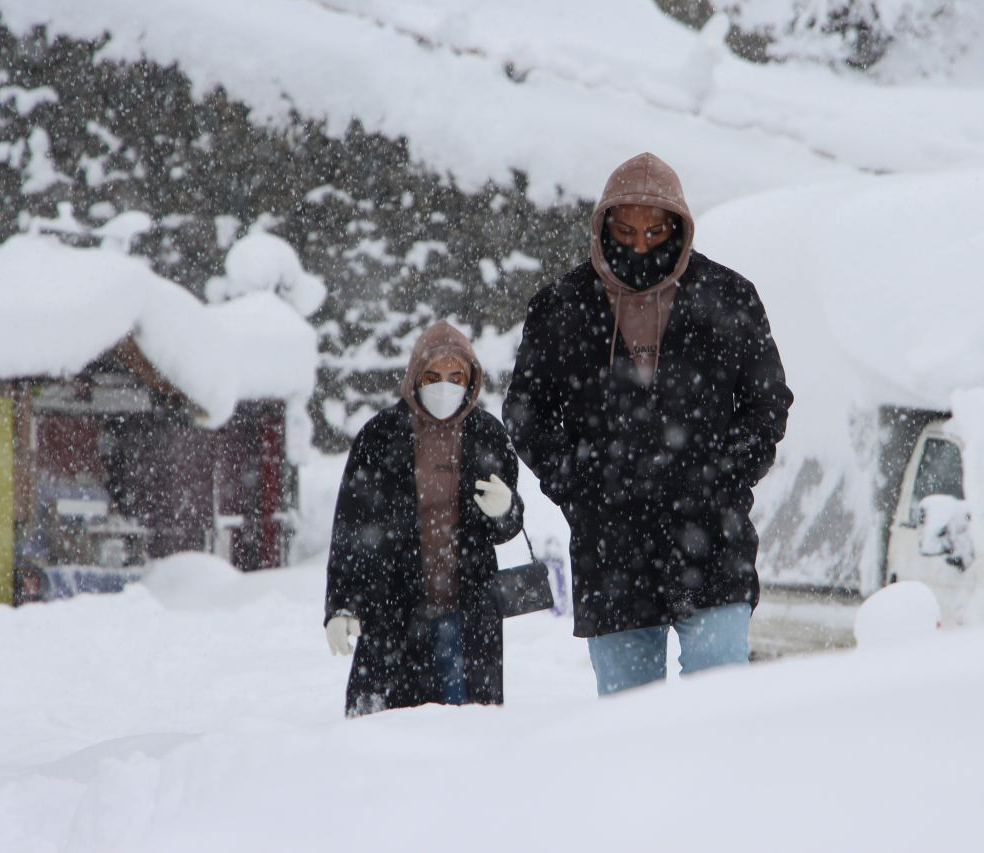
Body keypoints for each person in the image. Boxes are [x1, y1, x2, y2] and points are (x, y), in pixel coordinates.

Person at [503, 152, 793, 695]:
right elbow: (526, 412)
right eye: (625, 229)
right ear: (603, 224)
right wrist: (578, 483)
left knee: (720, 705)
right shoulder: (562, 306)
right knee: (626, 726)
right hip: (611, 549)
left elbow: (767, 404)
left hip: (713, 541)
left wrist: (724, 476)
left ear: (679, 226)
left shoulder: (728, 296)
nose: (639, 245)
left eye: (655, 231)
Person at [324, 321, 524, 716]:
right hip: (393, 611)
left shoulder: (487, 435)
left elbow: (506, 529)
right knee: (389, 742)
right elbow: (351, 527)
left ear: (471, 379)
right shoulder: (380, 436)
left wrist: (507, 509)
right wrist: (342, 605)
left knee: (468, 734)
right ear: (415, 376)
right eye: (432, 376)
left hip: (468, 614)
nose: (444, 385)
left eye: (455, 376)